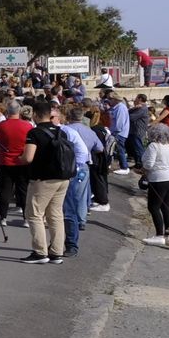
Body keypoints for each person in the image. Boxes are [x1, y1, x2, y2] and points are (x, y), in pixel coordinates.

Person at [15, 98, 72, 264]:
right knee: (55, 215)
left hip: (43, 179)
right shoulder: (61, 131)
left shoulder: (35, 133)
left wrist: (19, 159)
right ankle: (57, 252)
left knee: (34, 214)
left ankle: (40, 252)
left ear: (36, 115)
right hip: (63, 177)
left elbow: (28, 157)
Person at [61, 105, 101, 258]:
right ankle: (82, 221)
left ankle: (69, 237)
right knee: (81, 197)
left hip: (71, 168)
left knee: (69, 203)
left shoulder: (66, 130)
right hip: (83, 166)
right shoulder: (88, 130)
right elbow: (100, 148)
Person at [0, 102, 33, 227]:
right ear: (19, 111)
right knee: (23, 190)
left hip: (6, 161)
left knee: (5, 190)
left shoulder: (0, 126)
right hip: (22, 161)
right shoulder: (27, 126)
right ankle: (26, 218)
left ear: (7, 111)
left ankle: (2, 217)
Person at [141, 124, 169, 246]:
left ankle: (159, 235)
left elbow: (149, 164)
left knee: (153, 207)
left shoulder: (153, 146)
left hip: (159, 179)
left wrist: (142, 170)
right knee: (166, 207)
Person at [107, 92, 132, 174]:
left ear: (115, 99)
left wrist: (114, 132)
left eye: (110, 99)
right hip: (117, 132)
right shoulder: (116, 107)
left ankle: (124, 167)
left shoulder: (120, 108)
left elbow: (119, 124)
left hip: (119, 133)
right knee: (116, 149)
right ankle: (114, 165)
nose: (109, 100)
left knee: (120, 150)